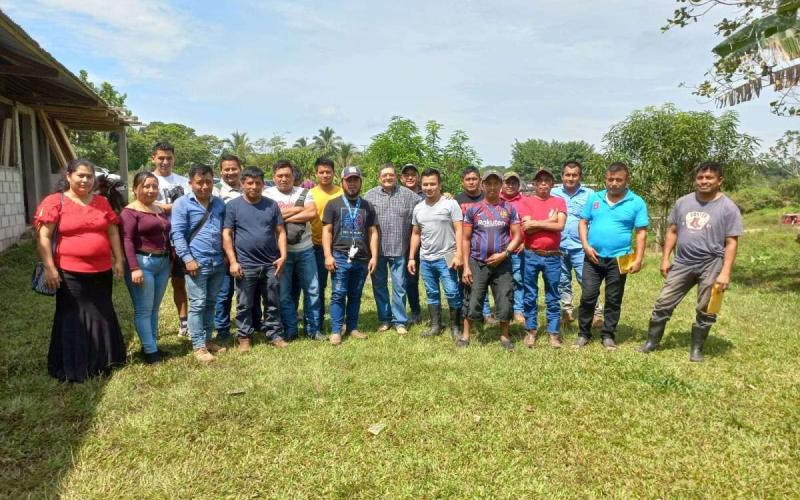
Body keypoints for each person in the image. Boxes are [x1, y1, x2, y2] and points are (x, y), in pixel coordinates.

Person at [639, 162, 742, 362]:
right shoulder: (683, 202)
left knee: (707, 307)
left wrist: (725, 272)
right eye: (700, 177)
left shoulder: (728, 208)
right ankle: (651, 342)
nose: (704, 181)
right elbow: (672, 231)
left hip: (712, 263)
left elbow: (731, 242)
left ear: (719, 180)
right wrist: (665, 258)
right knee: (663, 302)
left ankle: (697, 349)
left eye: (709, 178)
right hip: (683, 262)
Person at [34, 158, 126, 382]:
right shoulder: (55, 201)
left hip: (101, 271)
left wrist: (118, 260)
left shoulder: (101, 202)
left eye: (89, 176)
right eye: (80, 175)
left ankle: (103, 362)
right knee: (73, 316)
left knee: (102, 313)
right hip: (69, 272)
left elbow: (112, 232)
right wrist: (50, 268)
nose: (85, 180)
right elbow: (44, 237)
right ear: (68, 176)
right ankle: (74, 366)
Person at [574, 162, 649, 350]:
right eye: (610, 179)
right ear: (605, 179)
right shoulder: (595, 198)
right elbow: (583, 222)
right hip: (593, 257)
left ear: (627, 180)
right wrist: (585, 246)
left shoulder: (636, 202)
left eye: (618, 180)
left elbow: (641, 232)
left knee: (614, 299)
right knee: (588, 296)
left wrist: (638, 259)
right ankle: (583, 334)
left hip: (620, 258)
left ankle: (608, 335)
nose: (614, 183)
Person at [222, 167, 287, 353]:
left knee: (273, 301)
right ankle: (244, 336)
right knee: (244, 304)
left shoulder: (271, 205)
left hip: (270, 263)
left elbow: (280, 232)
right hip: (245, 264)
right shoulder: (233, 206)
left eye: (258, 183)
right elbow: (226, 234)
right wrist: (233, 261)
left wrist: (283, 256)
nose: (254, 186)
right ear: (242, 184)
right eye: (250, 183)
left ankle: (274, 334)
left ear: (263, 184)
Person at [170, 164, 228, 362]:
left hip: (217, 262)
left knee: (211, 302)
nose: (204, 186)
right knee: (198, 304)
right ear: (190, 183)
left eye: (208, 182)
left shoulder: (219, 204)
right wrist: (188, 259)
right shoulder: (182, 204)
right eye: (199, 182)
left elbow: (225, 231)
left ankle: (207, 339)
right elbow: (177, 234)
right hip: (196, 263)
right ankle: (198, 345)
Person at [460, 170, 523, 350]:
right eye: (489, 183)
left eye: (496, 183)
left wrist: (505, 253)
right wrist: (466, 267)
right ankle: (465, 335)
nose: (492, 187)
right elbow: (465, 239)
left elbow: (518, 235)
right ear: (483, 185)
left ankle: (504, 336)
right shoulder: (473, 209)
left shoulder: (509, 209)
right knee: (473, 297)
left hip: (502, 263)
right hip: (477, 262)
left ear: (501, 185)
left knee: (505, 297)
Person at [264, 160, 323, 342]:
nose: (284, 179)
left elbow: (311, 213)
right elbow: (267, 217)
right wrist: (297, 209)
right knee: (284, 293)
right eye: (280, 176)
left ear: (293, 176)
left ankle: (313, 329)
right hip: (281, 253)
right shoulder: (267, 194)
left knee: (313, 290)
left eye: (287, 175)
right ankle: (290, 329)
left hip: (305, 249)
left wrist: (280, 217)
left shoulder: (304, 192)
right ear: (274, 177)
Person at [322, 166, 378, 345]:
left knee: (355, 295)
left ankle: (352, 328)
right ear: (342, 183)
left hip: (361, 258)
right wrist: (328, 255)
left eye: (355, 180)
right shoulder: (333, 204)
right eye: (349, 180)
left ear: (361, 182)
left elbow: (373, 232)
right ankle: (336, 330)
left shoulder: (368, 206)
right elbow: (327, 231)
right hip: (340, 256)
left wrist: (374, 256)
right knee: (338, 294)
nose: (352, 184)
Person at [120, 171, 172, 364]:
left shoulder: (158, 209)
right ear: (135, 189)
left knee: (154, 309)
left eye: (154, 186)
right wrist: (134, 268)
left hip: (162, 263)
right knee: (143, 309)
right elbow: (126, 240)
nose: (151, 190)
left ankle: (152, 345)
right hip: (143, 263)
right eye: (146, 186)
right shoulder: (129, 212)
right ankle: (151, 352)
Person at [364, 163, 420, 335]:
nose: (388, 178)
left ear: (396, 177)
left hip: (399, 249)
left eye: (391, 175)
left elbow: (427, 203)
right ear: (379, 178)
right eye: (384, 175)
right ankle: (385, 319)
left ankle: (400, 321)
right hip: (377, 251)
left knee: (400, 286)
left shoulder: (409, 195)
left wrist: (447, 197)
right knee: (379, 286)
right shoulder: (369, 195)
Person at [408, 168, 464, 339]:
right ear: (421, 186)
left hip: (448, 256)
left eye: (432, 184)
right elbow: (416, 233)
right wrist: (411, 257)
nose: (429, 187)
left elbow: (459, 229)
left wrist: (459, 254)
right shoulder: (418, 208)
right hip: (426, 258)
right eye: (425, 184)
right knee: (431, 293)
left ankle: (456, 327)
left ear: (439, 185)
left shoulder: (451, 204)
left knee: (452, 292)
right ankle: (435, 325)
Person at [517, 169, 567, 348]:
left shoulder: (559, 202)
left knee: (553, 295)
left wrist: (537, 223)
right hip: (531, 255)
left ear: (552, 184)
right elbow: (527, 228)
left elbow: (560, 226)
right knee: (530, 294)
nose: (543, 183)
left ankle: (553, 334)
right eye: (540, 181)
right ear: (534, 184)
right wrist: (549, 221)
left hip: (552, 256)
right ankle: (531, 331)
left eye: (547, 180)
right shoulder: (526, 202)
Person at [551, 161, 603, 326]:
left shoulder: (590, 194)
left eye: (574, 175)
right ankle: (566, 310)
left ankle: (596, 313)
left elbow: (596, 218)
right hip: (558, 246)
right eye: (567, 175)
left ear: (580, 176)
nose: (571, 178)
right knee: (562, 280)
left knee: (587, 280)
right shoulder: (553, 193)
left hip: (581, 247)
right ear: (562, 176)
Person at [213, 154, 255, 343]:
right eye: (226, 169)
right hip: (224, 249)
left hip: (248, 250)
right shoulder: (216, 191)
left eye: (234, 168)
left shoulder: (250, 188)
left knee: (249, 290)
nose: (230, 172)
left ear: (241, 169)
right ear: (221, 171)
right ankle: (222, 329)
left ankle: (253, 323)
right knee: (224, 292)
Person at [150, 142, 190, 337]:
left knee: (179, 282)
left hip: (179, 239)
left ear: (174, 159)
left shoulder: (184, 182)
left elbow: (190, 207)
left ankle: (184, 324)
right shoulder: (148, 180)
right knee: (153, 287)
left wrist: (160, 206)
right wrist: (171, 207)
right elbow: (142, 205)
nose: (165, 162)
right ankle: (152, 325)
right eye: (161, 158)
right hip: (154, 240)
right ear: (153, 158)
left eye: (169, 158)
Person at [455, 166, 494, 324]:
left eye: (474, 179)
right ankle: (464, 313)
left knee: (483, 280)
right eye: (468, 179)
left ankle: (485, 313)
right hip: (464, 246)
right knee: (465, 281)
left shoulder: (487, 197)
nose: (471, 182)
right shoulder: (456, 200)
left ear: (480, 180)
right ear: (462, 182)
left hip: (483, 246)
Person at [309, 157, 342, 327]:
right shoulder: (309, 194)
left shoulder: (342, 192)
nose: (325, 175)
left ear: (334, 173)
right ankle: (318, 321)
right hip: (316, 246)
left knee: (340, 286)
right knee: (318, 286)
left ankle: (340, 320)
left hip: (339, 247)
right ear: (316, 174)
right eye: (321, 172)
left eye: (328, 172)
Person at [500, 171, 527, 324]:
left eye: (514, 183)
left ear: (518, 185)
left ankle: (518, 310)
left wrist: (525, 242)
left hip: (518, 250)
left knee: (518, 279)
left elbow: (529, 224)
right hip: (499, 250)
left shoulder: (525, 201)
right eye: (507, 182)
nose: (510, 185)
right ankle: (502, 309)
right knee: (500, 281)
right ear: (502, 184)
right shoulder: (495, 199)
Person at [400, 163, 424, 325]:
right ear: (401, 178)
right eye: (406, 175)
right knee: (409, 279)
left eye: (413, 174)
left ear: (418, 177)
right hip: (404, 243)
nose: (410, 177)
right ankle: (415, 310)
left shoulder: (426, 193)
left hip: (426, 242)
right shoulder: (398, 193)